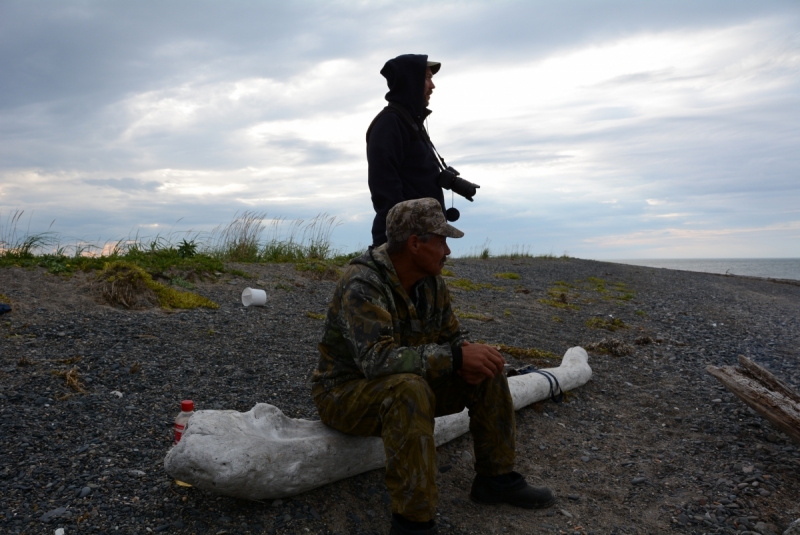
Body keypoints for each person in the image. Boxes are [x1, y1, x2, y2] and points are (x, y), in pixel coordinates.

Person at [311, 198, 555, 535]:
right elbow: (376, 361)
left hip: (409, 382)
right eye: (442, 241)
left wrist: (468, 356)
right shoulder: (363, 282)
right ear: (415, 243)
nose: (448, 252)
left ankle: (495, 479)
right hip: (344, 393)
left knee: (488, 366)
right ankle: (413, 522)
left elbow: (452, 338)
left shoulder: (431, 283)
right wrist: (454, 359)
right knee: (409, 390)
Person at [367, 54, 446, 248]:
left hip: (420, 239)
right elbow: (384, 188)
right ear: (412, 81)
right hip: (405, 243)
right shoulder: (389, 124)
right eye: (427, 78)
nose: (432, 86)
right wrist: (405, 239)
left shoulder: (409, 122)